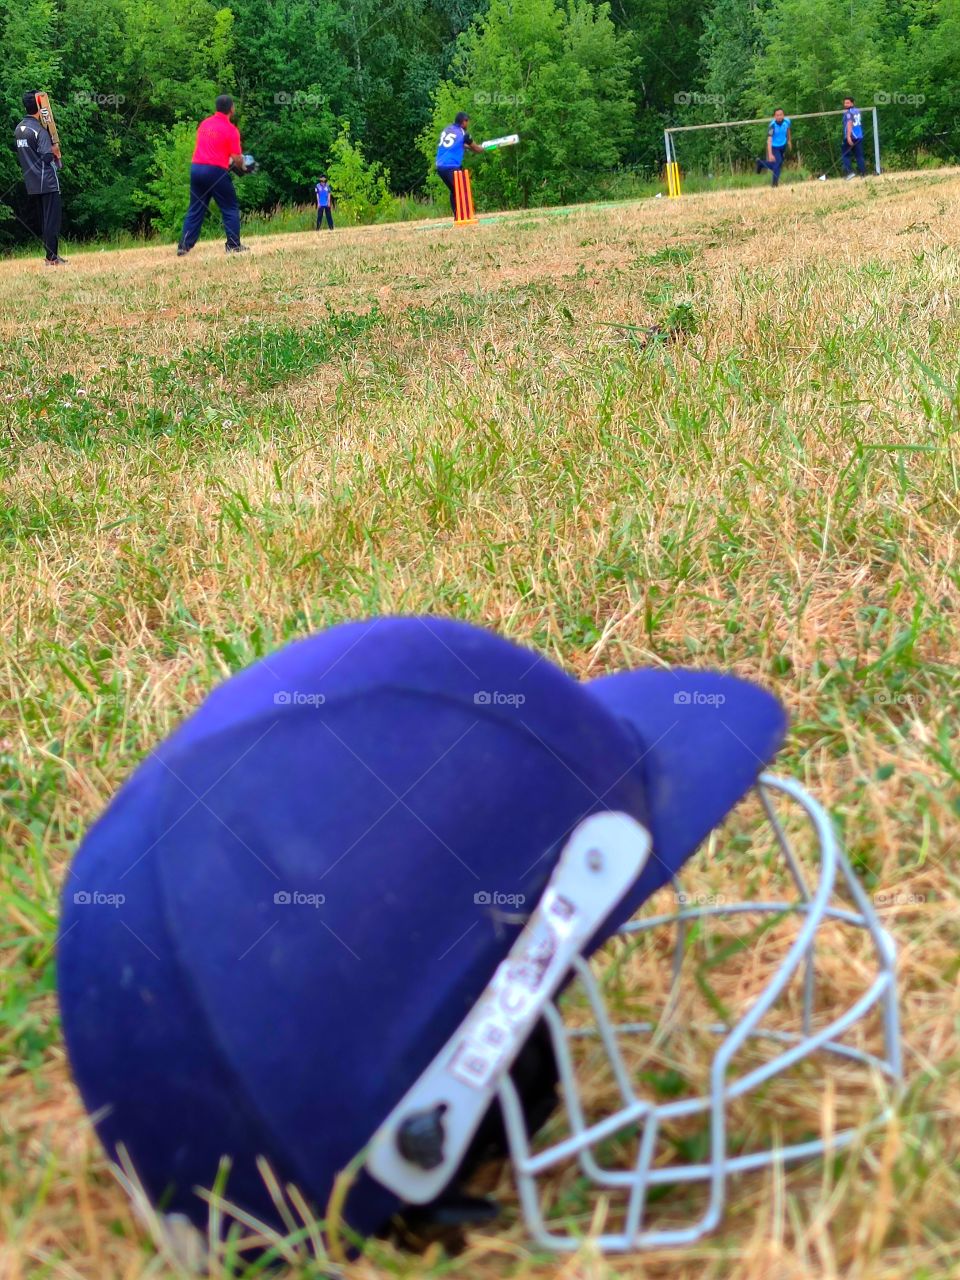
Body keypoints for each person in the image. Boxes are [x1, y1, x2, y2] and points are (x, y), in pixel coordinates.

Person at [177, 94, 250, 256]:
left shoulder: (204, 124)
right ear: (231, 108)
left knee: (196, 207)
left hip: (196, 168)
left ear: (216, 107)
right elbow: (237, 158)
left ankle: (184, 245)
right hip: (215, 171)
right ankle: (233, 245)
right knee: (230, 207)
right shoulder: (231, 130)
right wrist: (244, 167)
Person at [13, 91, 65, 266]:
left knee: (45, 220)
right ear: (39, 106)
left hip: (32, 183)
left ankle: (50, 255)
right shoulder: (39, 131)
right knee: (52, 221)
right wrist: (55, 151)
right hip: (48, 181)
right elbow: (46, 157)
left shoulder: (19, 129)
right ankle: (52, 258)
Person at [435, 111, 484, 217]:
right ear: (463, 122)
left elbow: (455, 145)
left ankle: (457, 217)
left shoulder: (447, 129)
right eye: (467, 122)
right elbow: (477, 149)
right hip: (451, 166)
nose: (468, 124)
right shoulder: (464, 133)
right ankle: (465, 216)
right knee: (462, 190)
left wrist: (468, 147)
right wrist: (482, 148)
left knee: (454, 190)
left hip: (440, 166)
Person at [756, 108, 791, 187]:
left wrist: (789, 140)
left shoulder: (787, 121)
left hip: (783, 145)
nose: (779, 117)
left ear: (783, 115)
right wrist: (770, 154)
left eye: (781, 115)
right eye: (777, 115)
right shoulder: (772, 126)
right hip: (774, 147)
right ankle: (774, 184)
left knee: (778, 164)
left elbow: (788, 130)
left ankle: (761, 163)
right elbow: (769, 140)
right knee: (777, 164)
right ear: (775, 116)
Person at [841, 96, 866, 178]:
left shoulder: (848, 113)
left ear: (852, 103)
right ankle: (863, 173)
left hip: (851, 136)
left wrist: (848, 137)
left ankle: (849, 173)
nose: (846, 104)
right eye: (845, 103)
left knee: (845, 155)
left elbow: (850, 123)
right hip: (859, 136)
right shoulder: (857, 111)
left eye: (847, 103)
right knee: (859, 156)